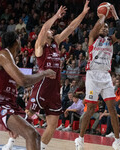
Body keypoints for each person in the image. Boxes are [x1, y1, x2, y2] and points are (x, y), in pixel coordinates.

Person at [25, 2, 89, 150]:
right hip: (42, 85)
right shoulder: (39, 46)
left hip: (54, 90)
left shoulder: (56, 42)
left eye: (51, 31)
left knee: (53, 124)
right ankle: (11, 143)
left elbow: (71, 27)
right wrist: (56, 16)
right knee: (28, 115)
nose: (51, 31)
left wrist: (83, 13)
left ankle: (41, 147)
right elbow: (44, 28)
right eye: (49, 31)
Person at [0, 31, 56, 150]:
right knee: (31, 134)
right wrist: (44, 73)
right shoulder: (3, 55)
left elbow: (16, 84)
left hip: (10, 104)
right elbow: (23, 81)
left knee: (35, 136)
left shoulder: (11, 61)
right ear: (17, 41)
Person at [75, 4, 120, 150]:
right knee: (90, 109)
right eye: (103, 27)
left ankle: (117, 141)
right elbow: (96, 28)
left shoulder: (110, 40)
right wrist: (103, 14)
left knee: (112, 109)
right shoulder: (92, 38)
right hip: (92, 75)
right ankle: (80, 139)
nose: (104, 28)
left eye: (107, 28)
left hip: (105, 76)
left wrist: (114, 15)